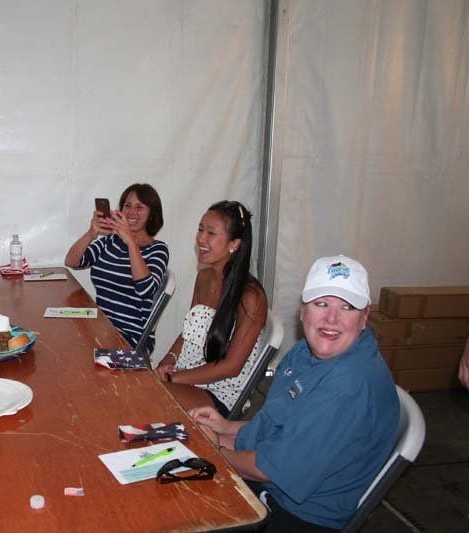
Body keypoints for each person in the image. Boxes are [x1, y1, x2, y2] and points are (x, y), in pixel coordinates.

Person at [191, 255, 400, 532]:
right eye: (321, 304)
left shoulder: (348, 385)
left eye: (347, 307)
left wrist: (215, 450)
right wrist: (227, 427)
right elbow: (282, 426)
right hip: (270, 486)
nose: (331, 319)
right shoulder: (305, 352)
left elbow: (271, 469)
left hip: (296, 516)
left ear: (364, 317)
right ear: (303, 311)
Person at [154, 201, 267, 417]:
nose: (201, 239)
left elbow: (231, 367)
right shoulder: (204, 277)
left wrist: (175, 377)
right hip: (188, 375)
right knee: (141, 390)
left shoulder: (251, 296)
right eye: (200, 229)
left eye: (211, 233)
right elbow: (189, 332)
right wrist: (169, 359)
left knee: (152, 398)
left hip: (221, 390)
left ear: (234, 244)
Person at [64, 184, 169, 353]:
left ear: (152, 214)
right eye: (127, 206)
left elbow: (145, 289)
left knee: (74, 357)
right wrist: (92, 233)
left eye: (139, 207)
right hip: (101, 327)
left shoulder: (157, 249)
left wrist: (130, 242)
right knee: (62, 342)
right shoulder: (110, 241)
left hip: (131, 338)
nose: (132, 212)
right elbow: (72, 261)